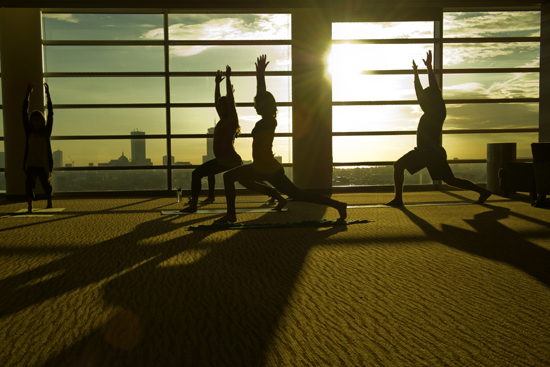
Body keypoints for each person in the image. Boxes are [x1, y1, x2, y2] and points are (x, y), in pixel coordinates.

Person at [215, 55, 347, 223]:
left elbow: (262, 94)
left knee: (299, 194)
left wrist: (261, 76)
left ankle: (338, 205)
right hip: (260, 167)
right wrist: (260, 74)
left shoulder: (270, 121)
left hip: (269, 168)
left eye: (257, 104)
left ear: (264, 105)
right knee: (231, 177)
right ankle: (231, 214)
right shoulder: (266, 120)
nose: (254, 106)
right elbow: (262, 94)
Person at [387, 50, 492, 206]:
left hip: (430, 153)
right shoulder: (429, 110)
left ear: (433, 98)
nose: (424, 99)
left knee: (399, 165)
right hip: (428, 153)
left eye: (428, 97)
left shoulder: (438, 111)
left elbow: (433, 89)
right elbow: (419, 92)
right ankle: (483, 192)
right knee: (450, 180)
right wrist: (415, 74)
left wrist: (429, 68)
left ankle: (398, 200)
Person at [180, 65, 278, 212]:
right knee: (248, 182)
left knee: (250, 184)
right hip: (223, 160)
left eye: (221, 105)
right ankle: (206, 198)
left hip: (230, 161)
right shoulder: (222, 118)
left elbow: (230, 100)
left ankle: (274, 193)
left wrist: (228, 78)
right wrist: (217, 84)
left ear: (227, 107)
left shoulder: (232, 120)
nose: (218, 107)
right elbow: (216, 101)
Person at [23, 82, 54, 213]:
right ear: (31, 122)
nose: (36, 123)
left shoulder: (46, 133)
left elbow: (51, 114)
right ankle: (30, 205)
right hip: (31, 163)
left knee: (45, 184)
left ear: (42, 122)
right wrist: (27, 94)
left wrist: (48, 95)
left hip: (43, 163)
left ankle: (49, 201)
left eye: (38, 120)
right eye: (34, 120)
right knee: (29, 183)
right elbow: (23, 113)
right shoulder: (29, 132)